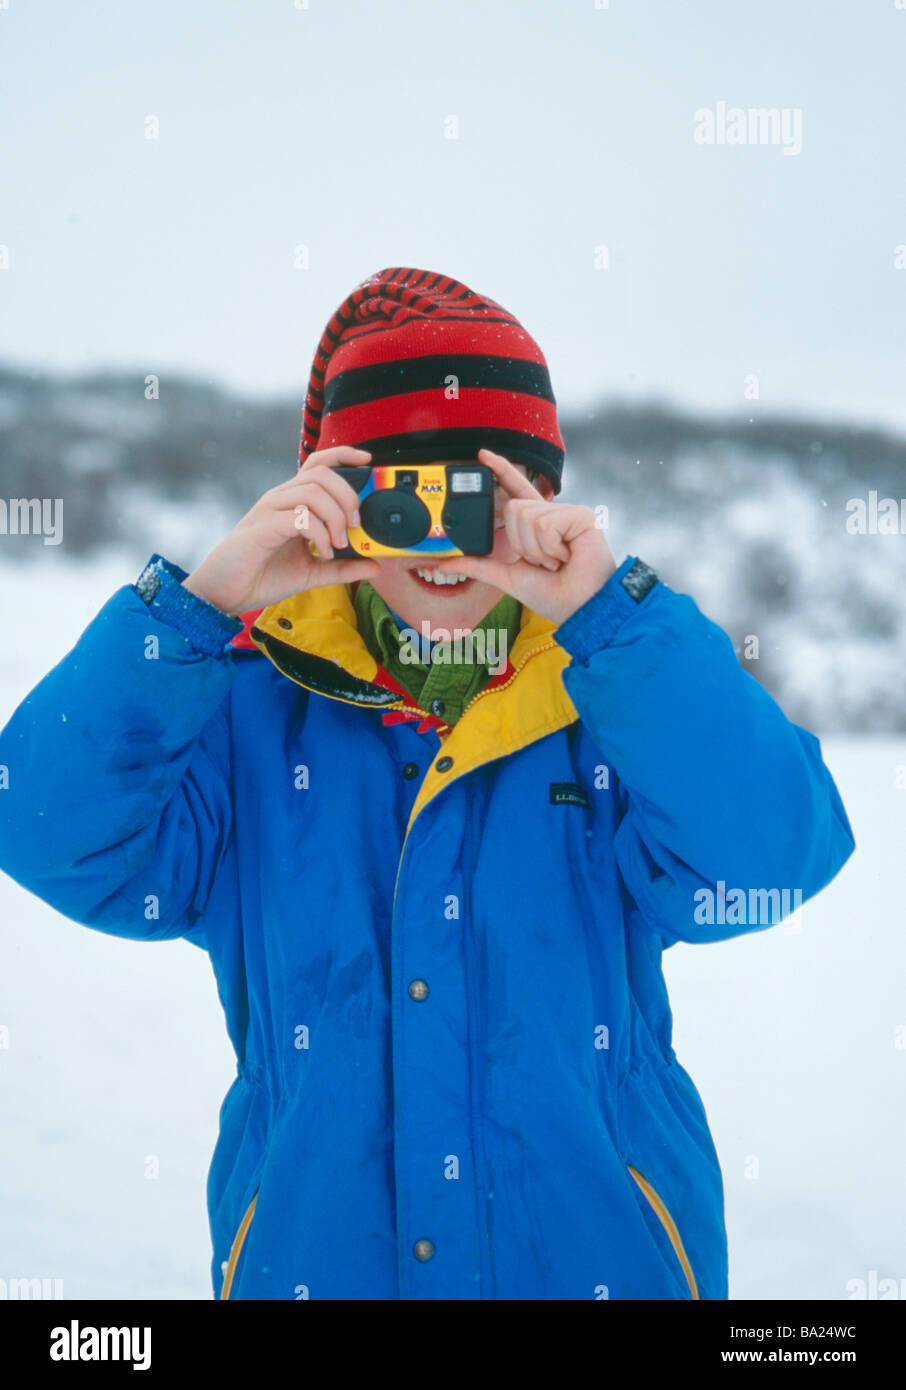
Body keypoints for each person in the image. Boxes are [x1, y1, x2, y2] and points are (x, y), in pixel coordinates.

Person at [0, 267, 855, 1300]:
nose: (444, 539)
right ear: (341, 505)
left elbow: (773, 851)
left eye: (481, 497)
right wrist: (201, 605)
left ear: (540, 499)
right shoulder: (247, 713)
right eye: (403, 496)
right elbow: (47, 827)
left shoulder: (607, 703)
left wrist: (613, 619)